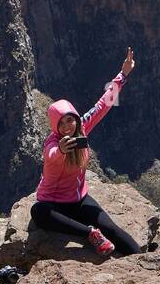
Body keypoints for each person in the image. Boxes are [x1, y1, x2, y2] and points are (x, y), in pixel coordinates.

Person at [30, 47, 142, 256]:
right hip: (53, 205)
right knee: (38, 211)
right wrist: (62, 150)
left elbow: (104, 104)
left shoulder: (82, 127)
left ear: (75, 118)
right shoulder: (52, 143)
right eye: (61, 123)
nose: (67, 127)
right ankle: (89, 233)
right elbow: (52, 155)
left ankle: (143, 260)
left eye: (70, 120)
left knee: (112, 229)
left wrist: (123, 74)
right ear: (55, 127)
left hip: (79, 200)